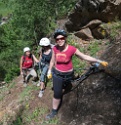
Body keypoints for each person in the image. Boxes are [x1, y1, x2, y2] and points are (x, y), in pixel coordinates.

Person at [46, 29, 108, 119]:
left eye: (62, 38)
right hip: (58, 74)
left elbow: (84, 56)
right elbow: (52, 61)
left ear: (65, 38)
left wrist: (99, 61)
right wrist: (49, 71)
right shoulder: (55, 48)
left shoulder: (72, 49)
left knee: (67, 84)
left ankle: (65, 84)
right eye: (57, 39)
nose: (60, 40)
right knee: (57, 94)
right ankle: (54, 111)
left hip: (69, 74)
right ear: (55, 41)